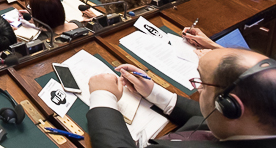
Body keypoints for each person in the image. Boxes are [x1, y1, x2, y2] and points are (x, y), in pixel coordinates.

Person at [87, 49, 276, 147]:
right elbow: (204, 116)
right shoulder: (259, 125)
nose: (199, 88)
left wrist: (103, 95)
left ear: (229, 106)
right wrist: (154, 93)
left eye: (202, 81)